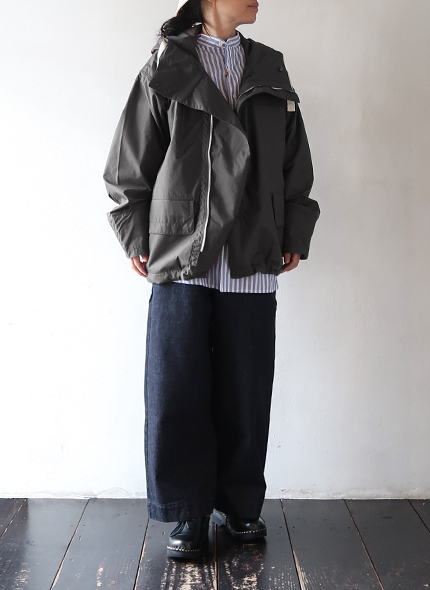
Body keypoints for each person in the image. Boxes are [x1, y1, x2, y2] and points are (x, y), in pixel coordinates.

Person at [103, 0, 320, 560]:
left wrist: (295, 228)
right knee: (177, 388)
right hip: (181, 251)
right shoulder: (166, 65)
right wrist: (136, 233)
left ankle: (241, 503)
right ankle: (188, 510)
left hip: (253, 250)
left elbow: (295, 161)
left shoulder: (269, 66)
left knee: (246, 390)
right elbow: (130, 160)